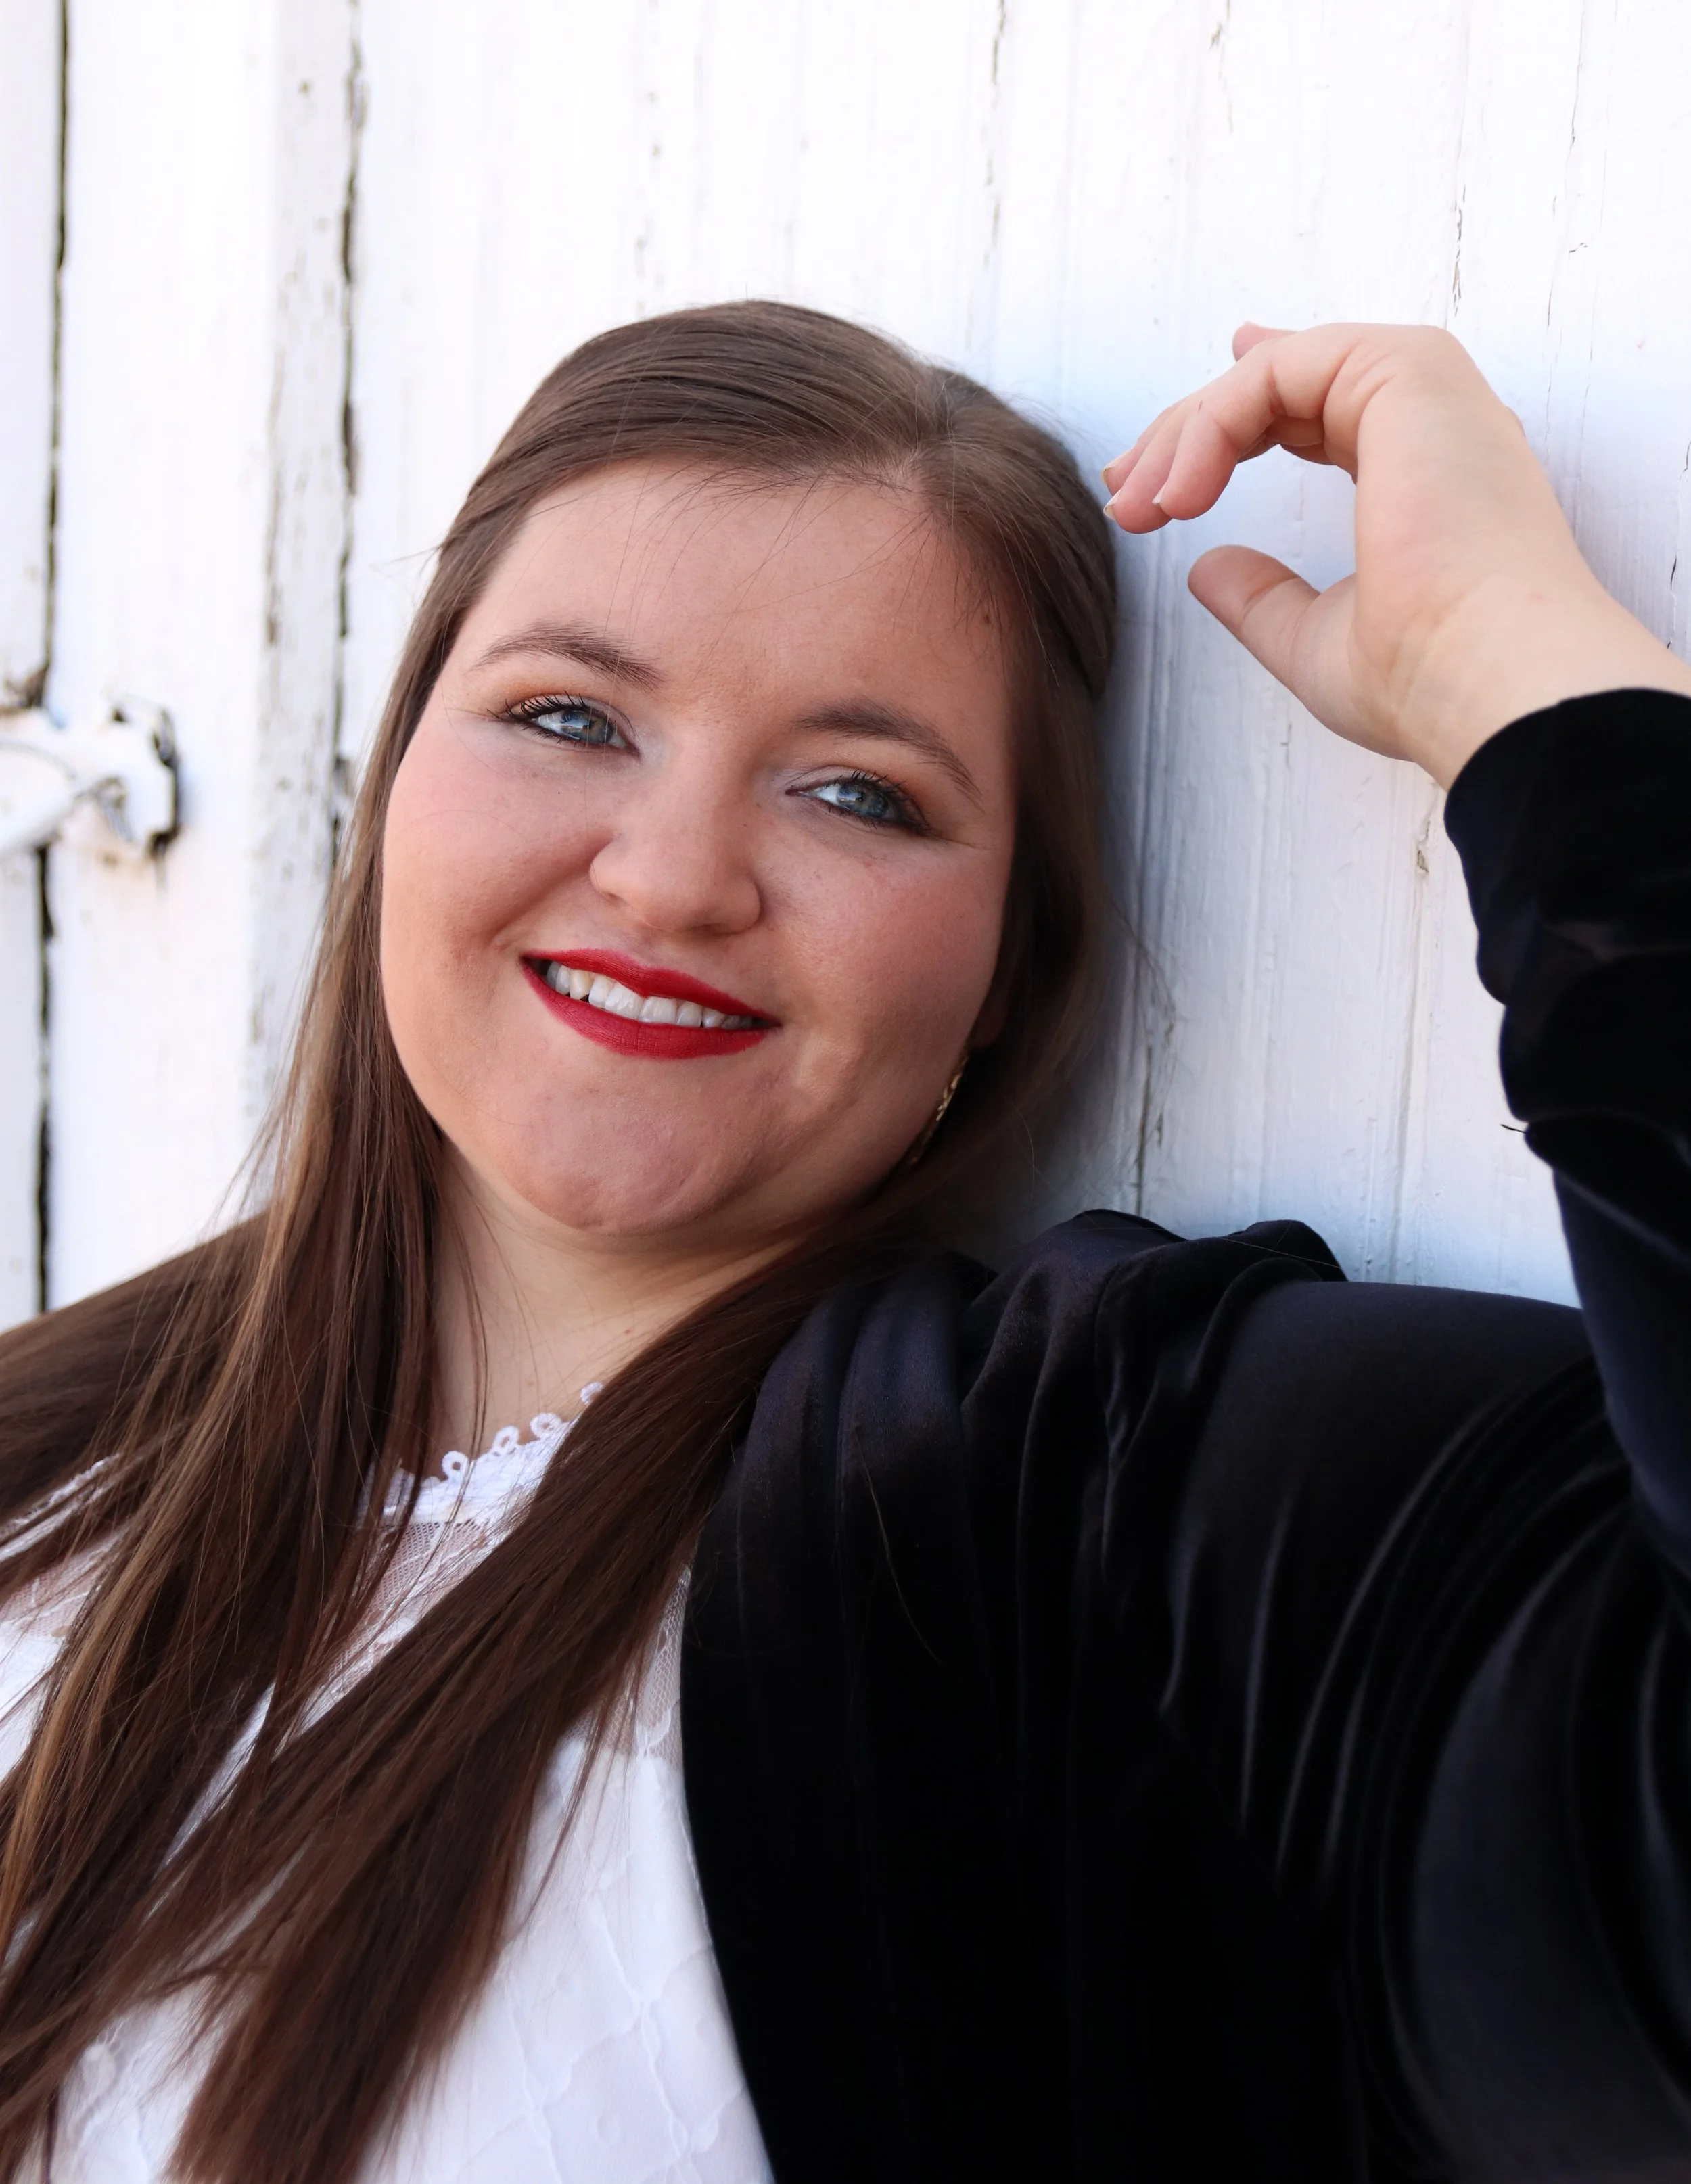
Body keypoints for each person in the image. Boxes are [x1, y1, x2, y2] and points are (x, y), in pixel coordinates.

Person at [0, 302, 1686, 2184]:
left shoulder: (1073, 1513)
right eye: (568, 716)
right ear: (398, 777)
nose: (670, 877)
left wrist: (1528, 691)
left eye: (860, 793)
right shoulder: (44, 1450)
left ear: (1008, 965)